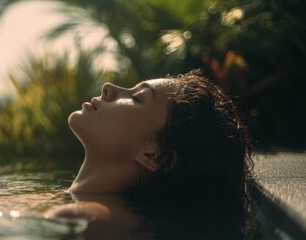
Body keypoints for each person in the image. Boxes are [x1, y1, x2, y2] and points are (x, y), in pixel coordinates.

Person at [45, 69, 254, 238]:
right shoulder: (78, 204)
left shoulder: (84, 219)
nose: (108, 88)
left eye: (136, 98)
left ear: (155, 156)